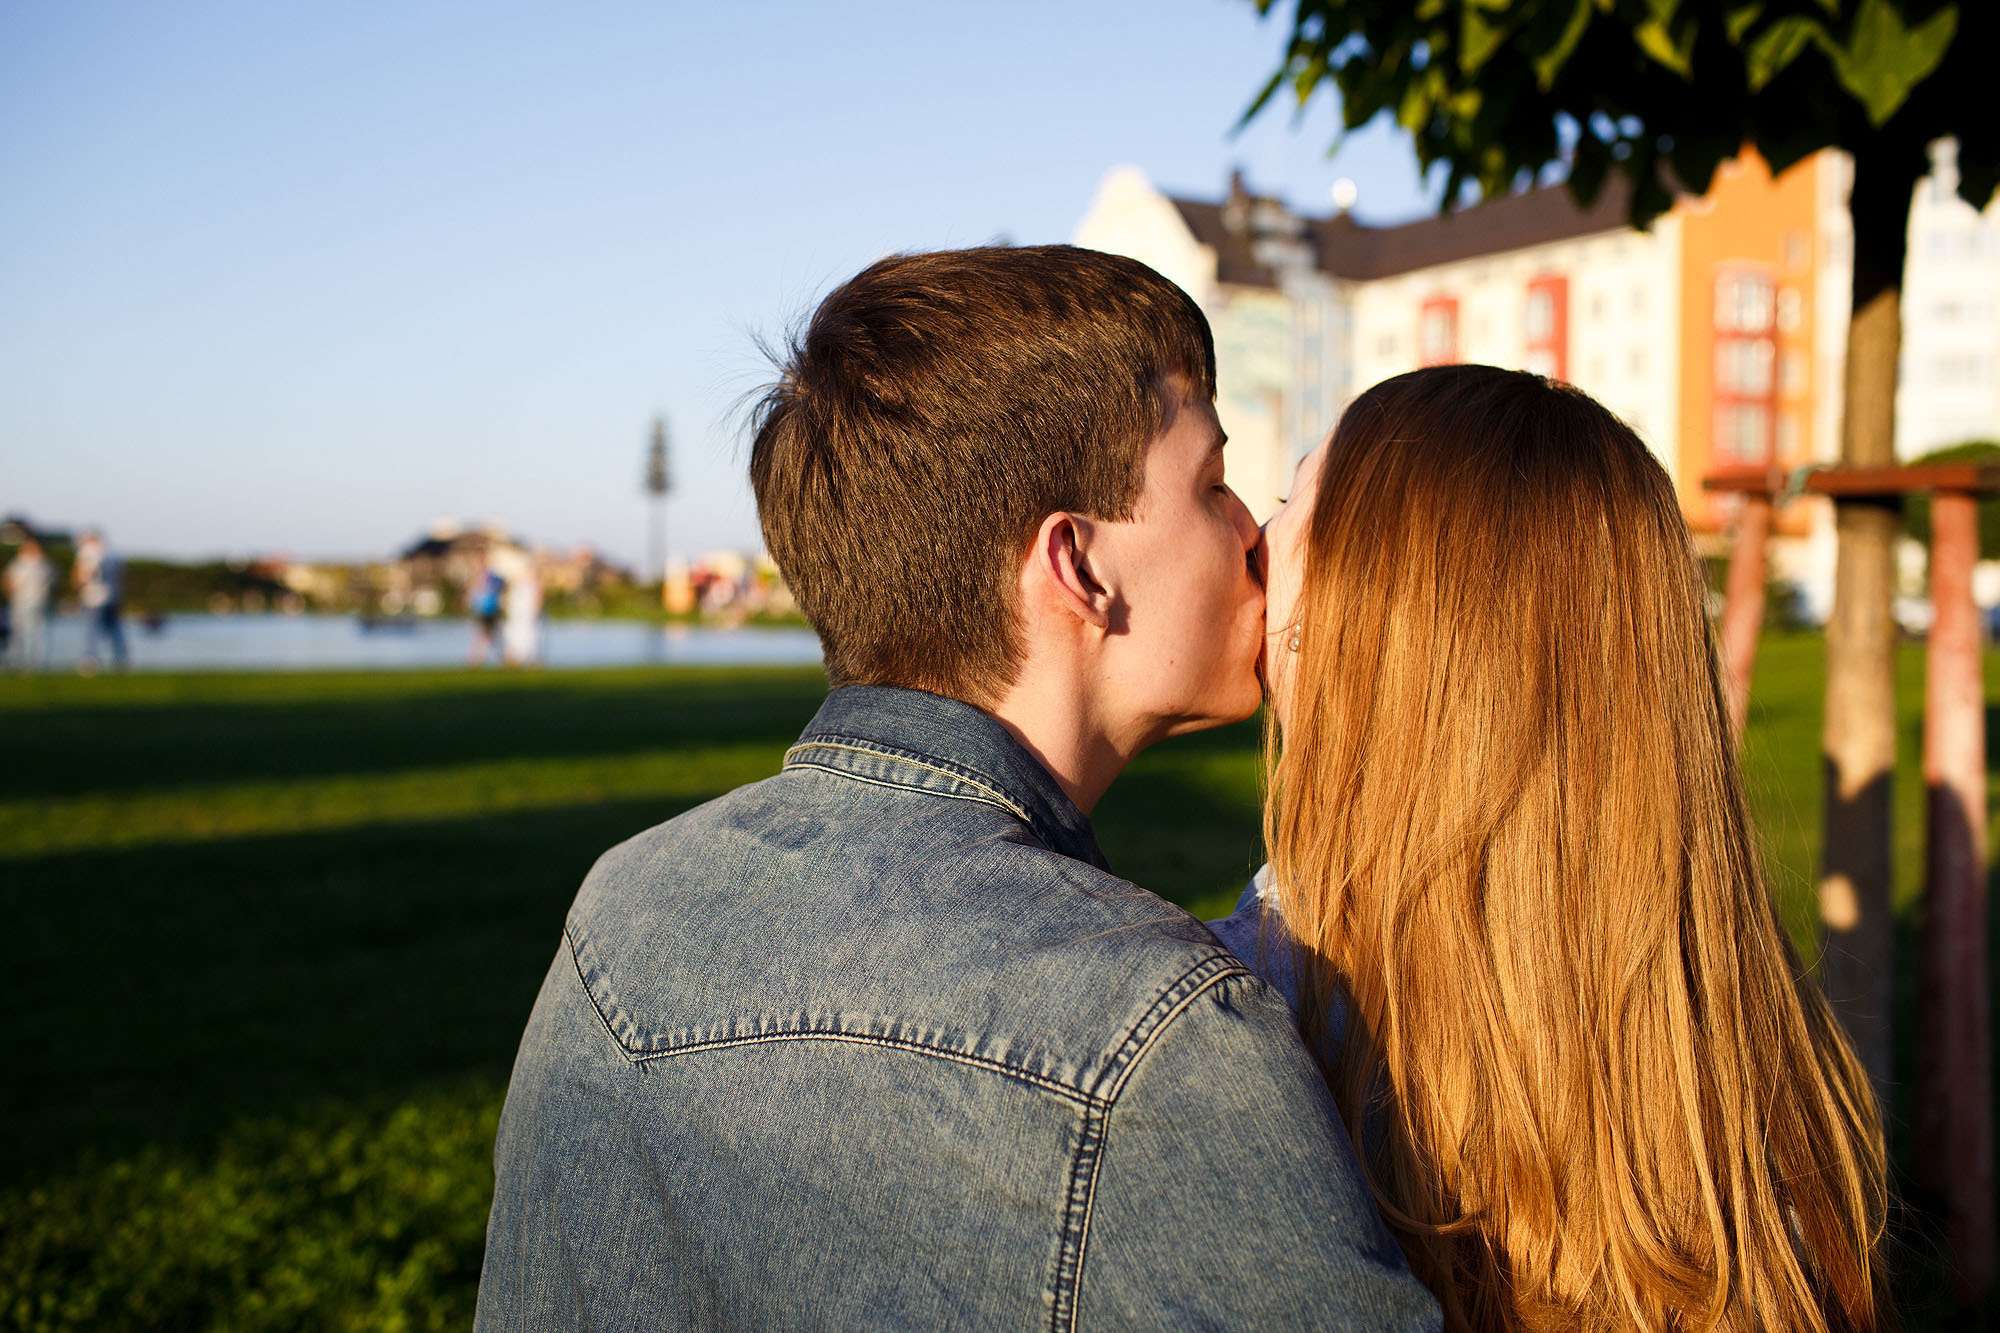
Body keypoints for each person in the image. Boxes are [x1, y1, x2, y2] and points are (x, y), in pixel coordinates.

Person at [476, 247, 1440, 1331]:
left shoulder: (621, 909)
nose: (1250, 535)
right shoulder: (1162, 1039)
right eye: (1213, 486)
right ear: (1078, 567)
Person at [1218, 365, 1891, 1332]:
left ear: (1384, 617)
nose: (1255, 536)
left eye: (1294, 505)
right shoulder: (1734, 1049)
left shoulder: (1240, 1024)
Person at [73, 530, 127, 672]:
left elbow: (83, 576)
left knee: (91, 632)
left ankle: (90, 661)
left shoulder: (88, 553)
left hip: (93, 599)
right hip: (112, 597)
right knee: (114, 630)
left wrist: (80, 583)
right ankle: (120, 660)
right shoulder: (113, 554)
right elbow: (121, 577)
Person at [5, 537, 52, 671]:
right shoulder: (20, 564)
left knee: (35, 634)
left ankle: (34, 663)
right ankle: (18, 662)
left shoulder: (41, 565)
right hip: (21, 602)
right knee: (20, 634)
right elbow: (9, 582)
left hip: (35, 603)